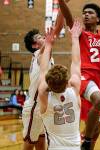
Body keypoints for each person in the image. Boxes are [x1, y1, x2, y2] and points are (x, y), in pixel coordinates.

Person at [57, 0, 100, 149]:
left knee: (96, 130)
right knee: (99, 100)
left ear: (98, 19)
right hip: (84, 76)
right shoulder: (80, 33)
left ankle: (88, 140)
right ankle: (86, 140)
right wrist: (61, 2)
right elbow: (68, 17)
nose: (86, 15)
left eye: (90, 13)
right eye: (84, 13)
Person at [22, 10, 65, 150]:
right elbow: (57, 30)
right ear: (35, 45)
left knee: (41, 143)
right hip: (34, 107)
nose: (44, 37)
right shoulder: (39, 54)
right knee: (29, 144)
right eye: (40, 37)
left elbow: (56, 33)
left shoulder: (46, 55)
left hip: (43, 107)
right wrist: (63, 7)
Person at [38, 20, 81, 150]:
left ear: (48, 83)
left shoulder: (44, 97)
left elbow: (43, 70)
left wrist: (48, 44)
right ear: (67, 82)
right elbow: (76, 62)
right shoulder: (74, 90)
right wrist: (75, 38)